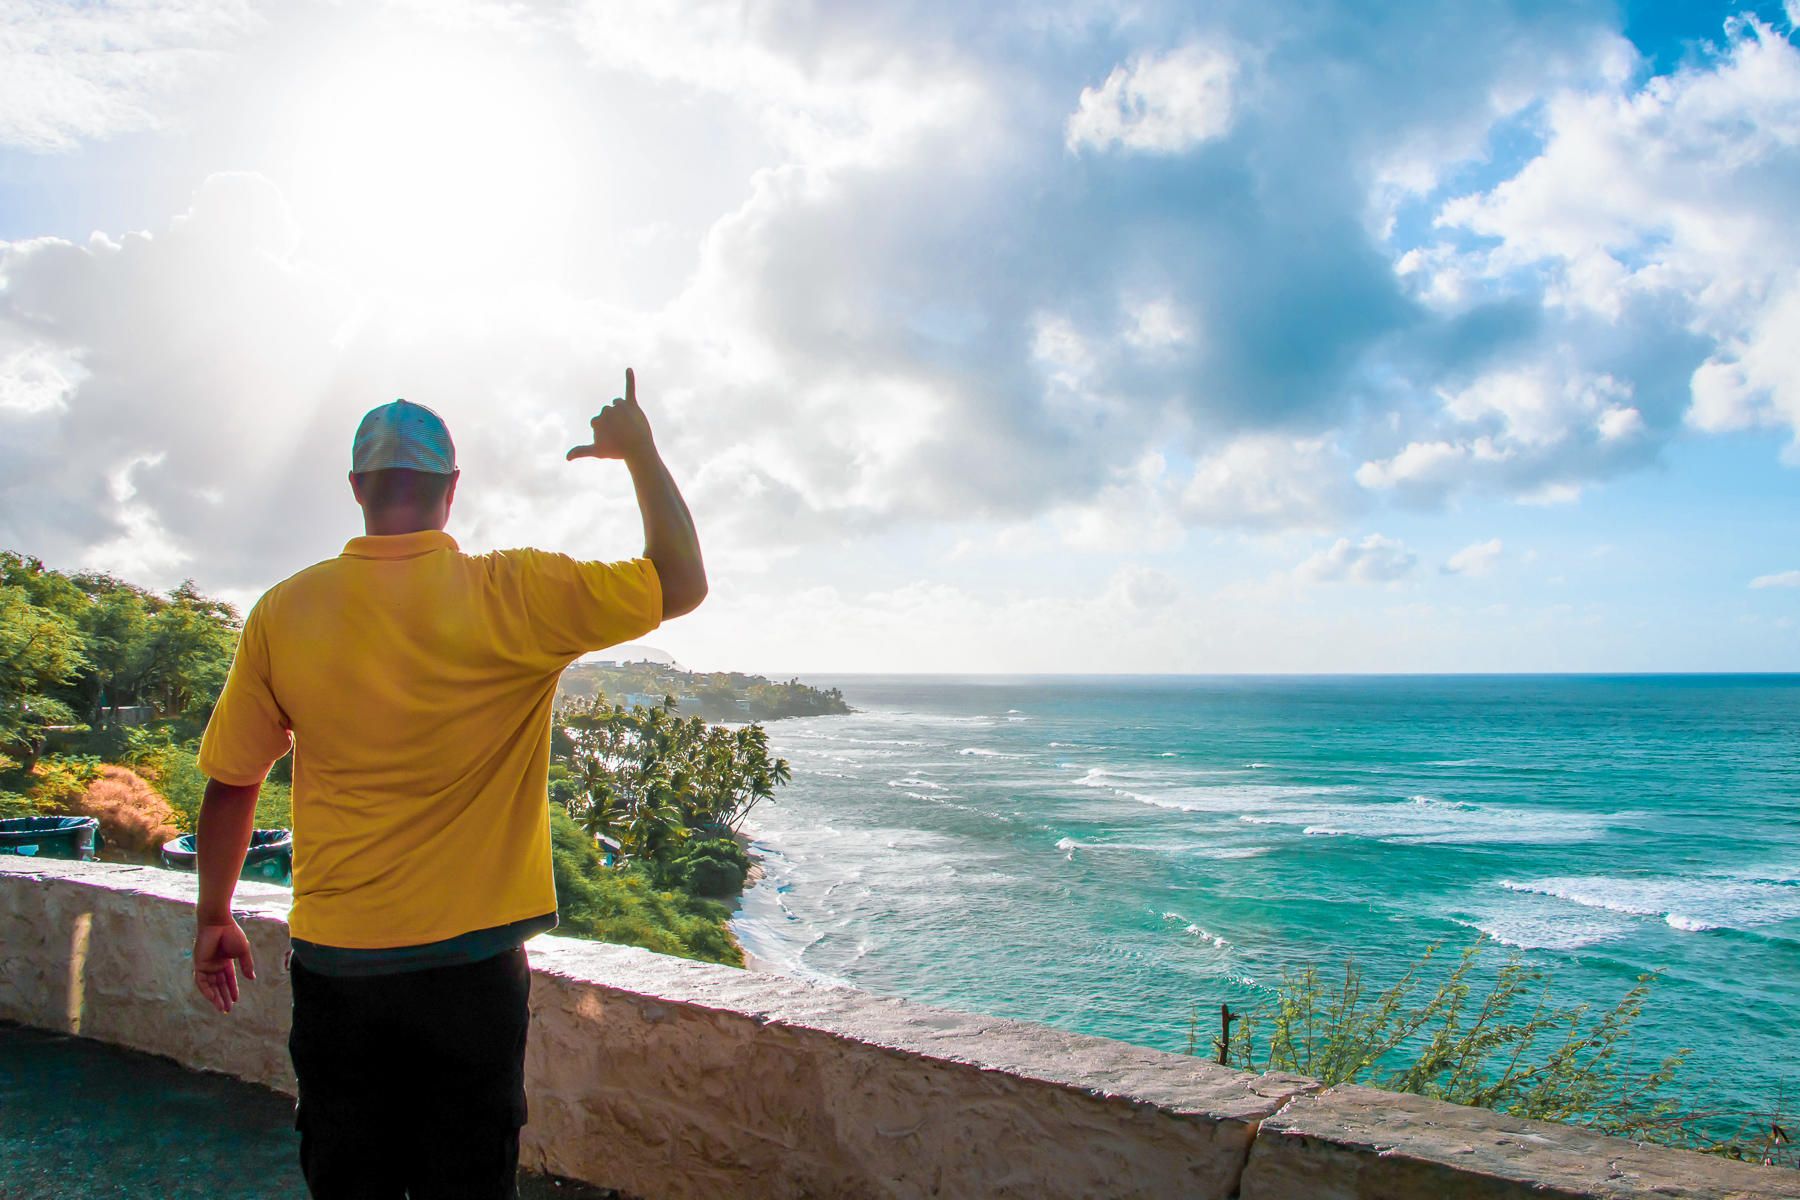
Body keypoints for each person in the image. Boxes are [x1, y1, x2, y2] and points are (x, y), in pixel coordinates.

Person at [189, 369, 705, 1199]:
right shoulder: (518, 592)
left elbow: (233, 781)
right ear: (451, 489)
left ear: (356, 487)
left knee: (348, 1181)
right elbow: (681, 582)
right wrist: (639, 452)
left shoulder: (284, 611)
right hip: (472, 972)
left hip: (338, 969)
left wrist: (215, 915)